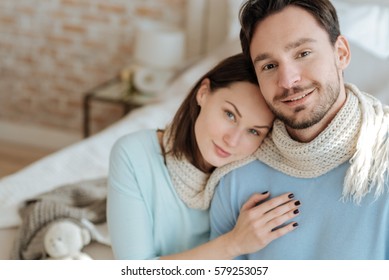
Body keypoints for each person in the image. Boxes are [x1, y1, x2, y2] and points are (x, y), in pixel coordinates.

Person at [210, 0, 389, 260]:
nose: (288, 80)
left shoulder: (382, 157)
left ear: (341, 53)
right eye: (269, 66)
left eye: (303, 53)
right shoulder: (235, 177)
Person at [107, 53, 301, 260]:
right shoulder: (133, 154)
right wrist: (233, 244)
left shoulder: (250, 174)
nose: (232, 141)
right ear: (203, 93)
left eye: (254, 131)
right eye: (230, 115)